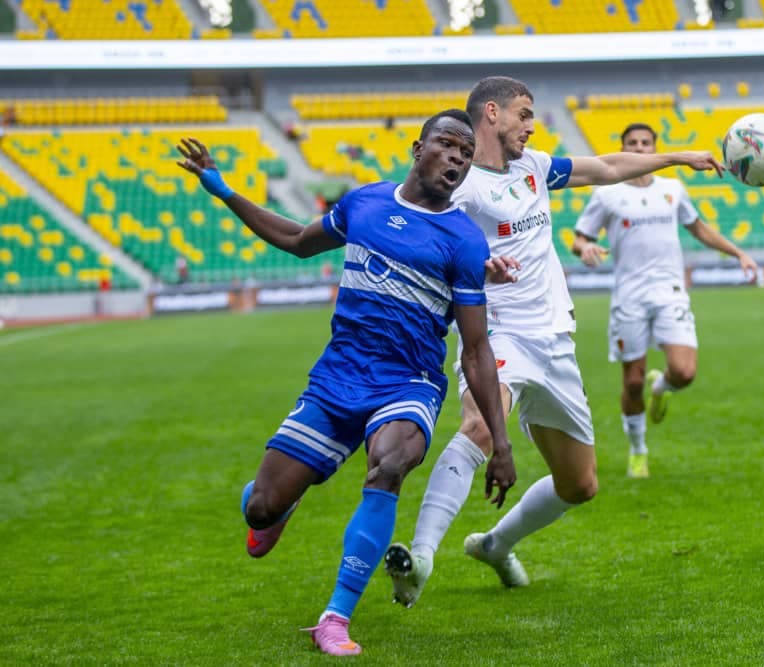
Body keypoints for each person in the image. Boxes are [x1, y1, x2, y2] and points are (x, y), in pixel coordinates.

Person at [175, 109, 517, 657]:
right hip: (338, 377)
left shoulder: (464, 241)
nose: (455, 158)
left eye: (466, 154)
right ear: (417, 148)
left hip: (409, 381)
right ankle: (277, 510)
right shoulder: (366, 203)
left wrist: (499, 443)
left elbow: (475, 348)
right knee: (259, 507)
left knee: (389, 465)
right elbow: (294, 238)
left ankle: (335, 617)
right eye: (447, 145)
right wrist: (222, 190)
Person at [385, 76, 728, 607]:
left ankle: (497, 546)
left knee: (580, 485)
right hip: (496, 333)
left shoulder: (535, 167)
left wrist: (678, 157)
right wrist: (477, 264)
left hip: (555, 340)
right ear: (492, 114)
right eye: (524, 114)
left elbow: (608, 168)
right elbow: (422, 244)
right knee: (478, 428)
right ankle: (422, 559)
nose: (532, 124)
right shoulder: (458, 183)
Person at [571, 122, 758, 479]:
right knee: (632, 383)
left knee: (685, 372)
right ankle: (638, 450)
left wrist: (739, 254)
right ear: (622, 148)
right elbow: (579, 239)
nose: (640, 148)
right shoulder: (607, 193)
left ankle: (663, 387)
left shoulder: (673, 189)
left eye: (645, 143)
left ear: (655, 147)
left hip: (670, 291)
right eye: (632, 143)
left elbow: (699, 229)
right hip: (629, 296)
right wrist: (586, 248)